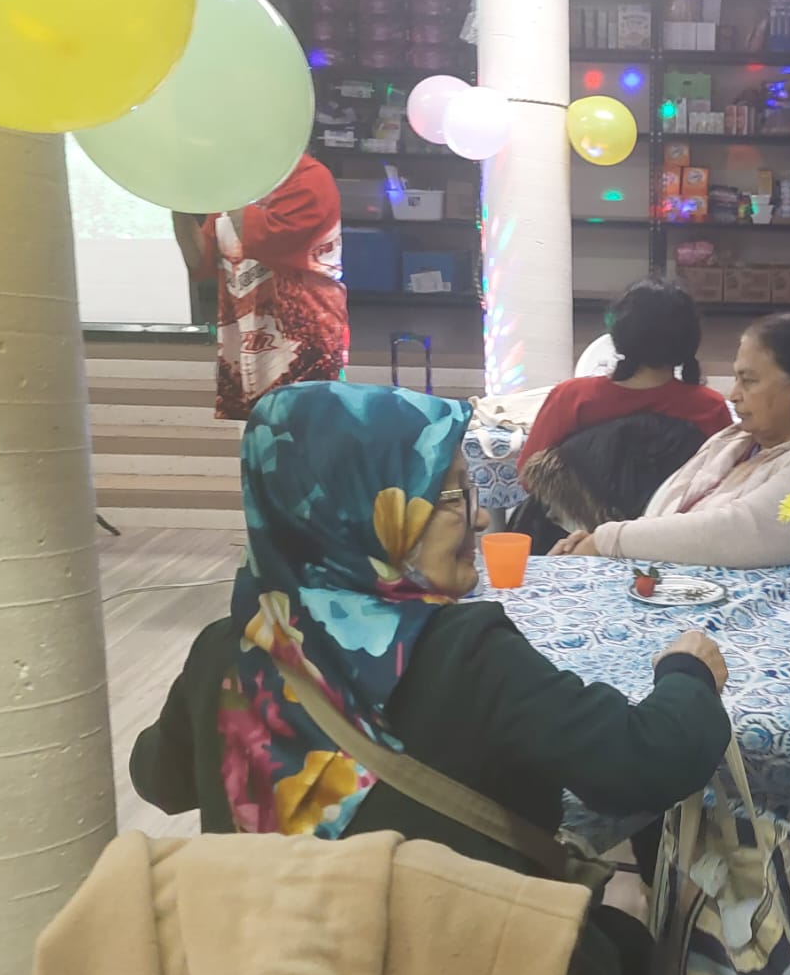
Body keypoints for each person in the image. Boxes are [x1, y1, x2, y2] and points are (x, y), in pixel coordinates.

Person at [129, 379, 732, 858]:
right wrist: (686, 672)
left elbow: (161, 778)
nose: (478, 521)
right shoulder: (460, 655)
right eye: (449, 496)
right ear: (367, 510)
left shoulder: (227, 649)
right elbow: (647, 761)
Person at [551, 314, 790, 569]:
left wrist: (608, 540)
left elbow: (734, 532)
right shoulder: (740, 440)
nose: (733, 395)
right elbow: (668, 516)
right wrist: (598, 544)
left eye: (748, 381)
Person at [173, 153, 348, 422]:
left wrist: (228, 187)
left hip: (304, 345)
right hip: (246, 342)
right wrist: (177, 204)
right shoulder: (237, 187)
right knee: (256, 444)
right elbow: (201, 261)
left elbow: (264, 240)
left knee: (306, 444)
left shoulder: (310, 178)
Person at [517, 280, 733, 477]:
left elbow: (529, 475)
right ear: (691, 340)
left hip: (583, 520)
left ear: (619, 335)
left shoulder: (573, 398)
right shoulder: (709, 408)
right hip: (679, 519)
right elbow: (725, 481)